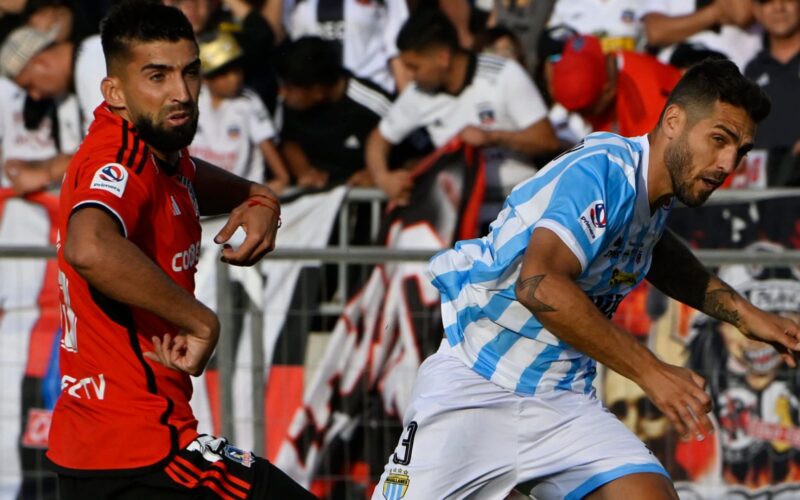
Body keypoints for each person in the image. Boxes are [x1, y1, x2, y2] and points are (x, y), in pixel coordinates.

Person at [372, 58, 800, 499]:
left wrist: (745, 314)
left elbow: (658, 252)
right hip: (477, 384)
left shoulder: (654, 194)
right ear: (673, 121)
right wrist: (651, 372)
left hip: (560, 399)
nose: (728, 163)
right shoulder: (602, 170)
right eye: (719, 140)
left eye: (740, 151)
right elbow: (539, 284)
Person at [47, 2, 315, 498]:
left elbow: (193, 179)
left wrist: (261, 196)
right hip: (142, 448)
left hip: (107, 447)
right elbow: (88, 246)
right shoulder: (121, 158)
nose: (182, 93)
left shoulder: (160, 155)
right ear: (115, 92)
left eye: (190, 72)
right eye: (157, 76)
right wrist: (200, 321)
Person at [366, 9, 559, 210]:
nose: (410, 75)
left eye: (415, 67)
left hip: (517, 209)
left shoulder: (504, 74)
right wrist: (383, 178)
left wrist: (493, 137)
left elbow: (547, 140)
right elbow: (378, 139)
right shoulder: (418, 94)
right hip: (461, 218)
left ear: (443, 58)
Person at [277, 36, 393, 189]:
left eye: (289, 88)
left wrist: (378, 174)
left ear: (318, 91)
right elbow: (289, 141)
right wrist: (305, 172)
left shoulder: (372, 104)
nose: (282, 93)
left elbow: (416, 153)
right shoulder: (292, 105)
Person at [190, 30, 289, 193]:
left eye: (237, 70)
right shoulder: (194, 100)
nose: (234, 79)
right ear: (206, 79)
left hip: (241, 197)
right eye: (224, 73)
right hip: (200, 198)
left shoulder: (248, 101)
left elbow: (273, 159)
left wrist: (278, 181)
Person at [548, 33, 682, 137]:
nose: (583, 118)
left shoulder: (649, 108)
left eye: (584, 112)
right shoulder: (606, 62)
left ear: (607, 92)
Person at [0, 25, 81, 193]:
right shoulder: (63, 97)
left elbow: (112, 147)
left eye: (30, 85)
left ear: (41, 62)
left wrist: (45, 174)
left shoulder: (94, 65)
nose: (35, 96)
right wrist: (35, 166)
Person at [744, 0, 800, 186]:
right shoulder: (751, 70)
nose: (778, 7)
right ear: (756, 10)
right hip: (764, 191)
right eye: (767, 1)